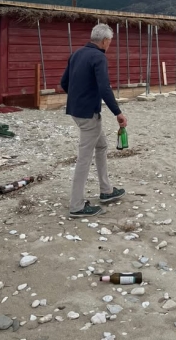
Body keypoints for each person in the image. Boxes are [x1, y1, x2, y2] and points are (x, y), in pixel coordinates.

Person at [60, 23, 128, 217]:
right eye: (110, 42)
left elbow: (64, 82)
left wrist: (78, 97)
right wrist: (118, 113)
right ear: (105, 41)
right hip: (89, 114)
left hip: (76, 111)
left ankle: (106, 190)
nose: (110, 45)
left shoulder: (77, 54)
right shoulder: (99, 57)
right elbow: (104, 88)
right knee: (84, 158)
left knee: (102, 146)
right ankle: (77, 206)